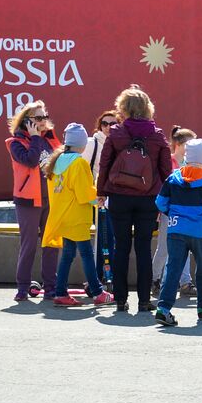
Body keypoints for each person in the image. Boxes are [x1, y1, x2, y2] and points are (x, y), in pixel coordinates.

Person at [96, 85, 173, 314]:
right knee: (143, 248)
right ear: (147, 107)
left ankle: (120, 300)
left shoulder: (116, 133)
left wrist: (101, 192)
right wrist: (166, 197)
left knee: (121, 247)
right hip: (148, 198)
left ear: (124, 107)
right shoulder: (157, 135)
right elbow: (166, 170)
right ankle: (144, 301)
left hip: (119, 196)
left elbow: (104, 164)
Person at [41, 123, 114, 307]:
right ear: (81, 144)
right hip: (77, 217)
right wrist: (98, 196)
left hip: (62, 216)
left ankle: (60, 293)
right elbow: (84, 194)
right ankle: (97, 292)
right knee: (87, 254)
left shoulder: (56, 162)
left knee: (67, 255)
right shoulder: (79, 163)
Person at [153, 139, 202, 326]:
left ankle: (163, 309)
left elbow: (160, 202)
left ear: (186, 155)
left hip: (176, 229)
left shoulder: (173, 177)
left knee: (173, 268)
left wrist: (173, 213)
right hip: (199, 231)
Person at [7, 100, 61, 302]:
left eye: (44, 117)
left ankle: (51, 287)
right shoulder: (15, 143)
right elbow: (30, 160)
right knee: (28, 245)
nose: (43, 121)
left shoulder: (51, 140)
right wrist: (36, 137)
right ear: (26, 121)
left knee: (51, 244)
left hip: (51, 200)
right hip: (28, 202)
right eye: (38, 118)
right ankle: (22, 287)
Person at [152, 126, 196, 296]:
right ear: (178, 144)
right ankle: (155, 279)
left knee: (185, 247)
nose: (191, 148)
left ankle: (185, 282)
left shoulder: (190, 164)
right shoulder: (168, 162)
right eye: (189, 145)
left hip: (185, 211)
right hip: (168, 211)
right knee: (164, 247)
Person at [85, 109, 119, 288]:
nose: (108, 127)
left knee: (110, 239)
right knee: (102, 239)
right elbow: (82, 171)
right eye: (104, 123)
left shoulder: (120, 143)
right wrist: (93, 196)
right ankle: (97, 279)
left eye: (113, 124)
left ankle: (106, 276)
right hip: (97, 199)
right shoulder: (92, 143)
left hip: (115, 198)